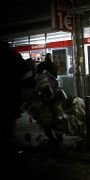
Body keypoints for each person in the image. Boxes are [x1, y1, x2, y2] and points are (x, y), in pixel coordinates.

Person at [0, 41, 35, 177]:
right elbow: (28, 78)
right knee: (9, 131)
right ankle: (9, 160)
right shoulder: (14, 56)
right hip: (11, 102)